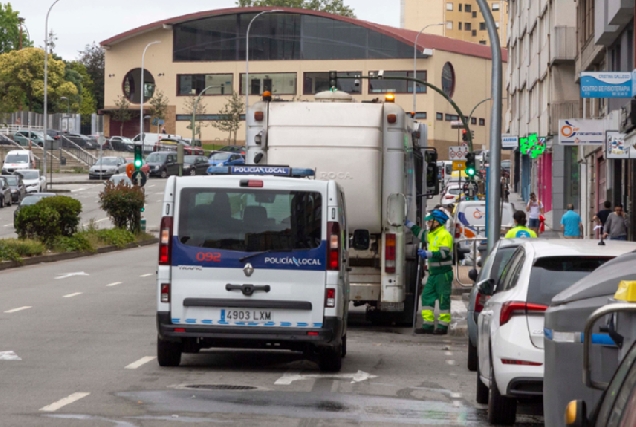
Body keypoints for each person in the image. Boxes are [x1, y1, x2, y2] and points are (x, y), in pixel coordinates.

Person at [405, 209, 454, 335]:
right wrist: (410, 225)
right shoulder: (433, 234)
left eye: (430, 221)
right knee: (427, 296)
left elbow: (444, 253)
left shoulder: (444, 235)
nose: (428, 224)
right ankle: (428, 325)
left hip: (443, 274)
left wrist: (429, 254)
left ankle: (443, 326)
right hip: (433, 273)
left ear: (437, 222)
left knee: (443, 299)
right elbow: (421, 233)